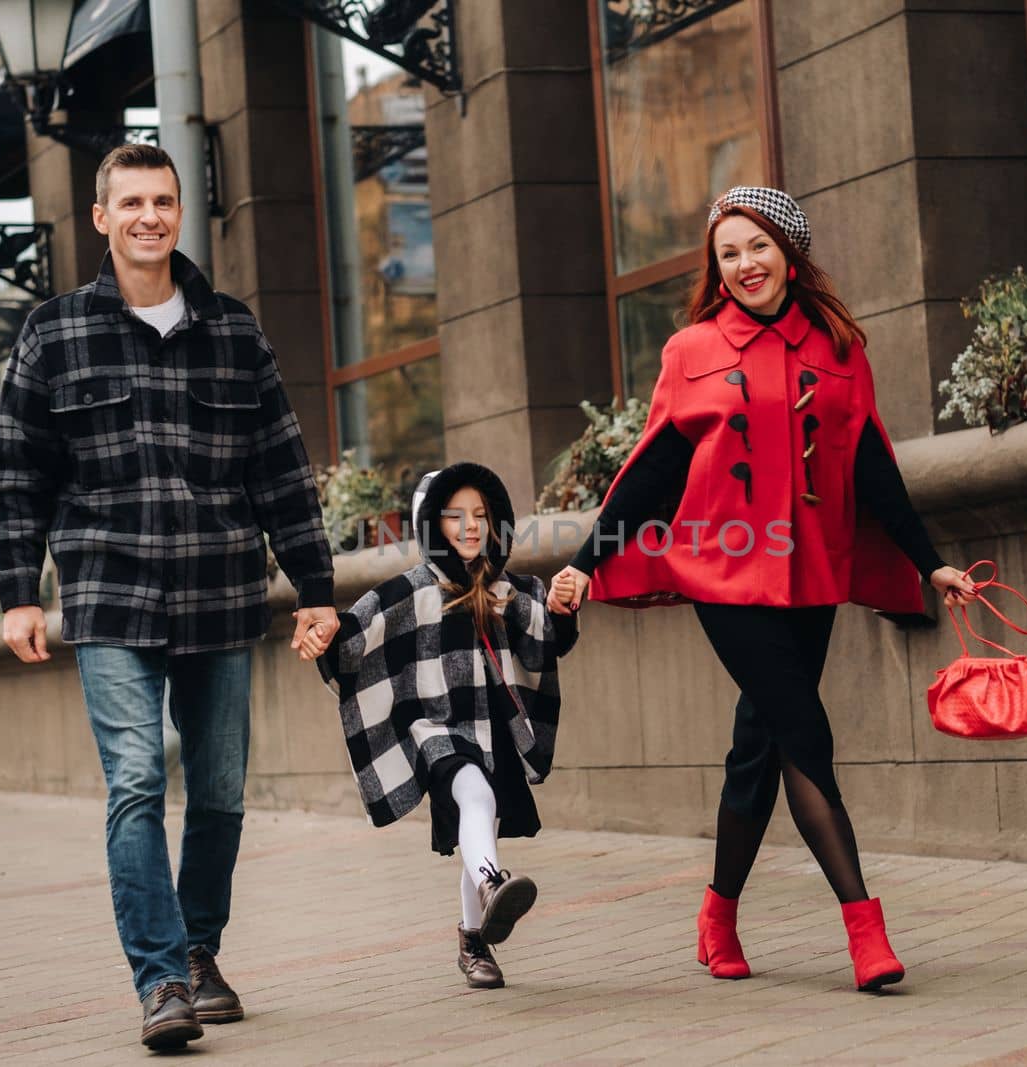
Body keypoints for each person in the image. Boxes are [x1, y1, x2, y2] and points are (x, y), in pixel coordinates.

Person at [548, 186, 977, 992]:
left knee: (759, 748)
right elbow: (655, 468)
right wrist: (585, 557)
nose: (744, 265)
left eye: (756, 248)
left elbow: (872, 463)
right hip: (724, 570)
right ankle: (866, 930)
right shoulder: (692, 349)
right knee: (803, 730)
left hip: (809, 573)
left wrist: (930, 562)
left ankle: (717, 914)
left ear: (789, 251)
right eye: (728, 254)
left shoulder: (840, 346)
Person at [0, 143, 336, 1048]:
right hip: (109, 591)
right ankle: (159, 980)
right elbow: (16, 474)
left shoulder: (233, 329)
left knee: (218, 792)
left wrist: (318, 586)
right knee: (137, 781)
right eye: (131, 202)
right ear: (101, 218)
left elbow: (282, 472)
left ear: (181, 214)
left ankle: (198, 951)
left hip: (220, 587)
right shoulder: (53, 333)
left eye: (165, 201)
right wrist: (18, 591)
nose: (150, 216)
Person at [300, 463, 578, 990]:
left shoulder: (512, 590)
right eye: (455, 517)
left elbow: (550, 638)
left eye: (480, 515)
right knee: (476, 799)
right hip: (436, 729)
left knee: (484, 824)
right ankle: (494, 884)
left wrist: (561, 607)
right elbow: (350, 640)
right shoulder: (409, 591)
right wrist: (324, 636)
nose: (471, 526)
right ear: (433, 525)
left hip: (495, 726)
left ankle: (474, 940)